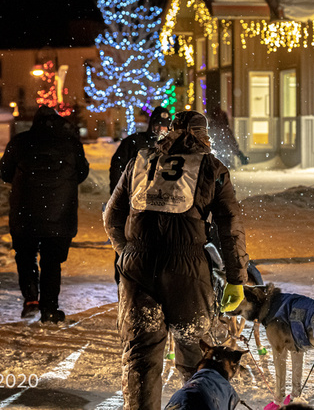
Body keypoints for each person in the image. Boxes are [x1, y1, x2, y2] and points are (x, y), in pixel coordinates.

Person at [103, 110, 249, 410]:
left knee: (141, 360)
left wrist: (127, 251)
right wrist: (236, 278)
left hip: (138, 270)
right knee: (197, 354)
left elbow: (111, 216)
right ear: (202, 134)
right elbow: (229, 227)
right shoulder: (211, 167)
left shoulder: (140, 162)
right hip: (188, 270)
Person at [0, 105, 89, 323]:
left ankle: (31, 298)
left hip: (25, 212)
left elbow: (4, 172)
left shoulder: (20, 142)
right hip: (60, 214)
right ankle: (49, 308)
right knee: (51, 262)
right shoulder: (70, 144)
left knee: (26, 256)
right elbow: (82, 173)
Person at [109, 106, 171, 195]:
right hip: (135, 195)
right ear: (151, 124)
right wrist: (117, 193)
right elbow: (117, 167)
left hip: (160, 198)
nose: (161, 129)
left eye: (165, 126)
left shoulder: (172, 145)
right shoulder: (134, 142)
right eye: (158, 125)